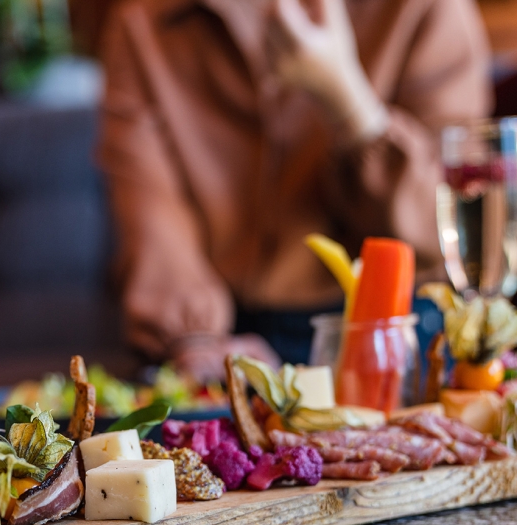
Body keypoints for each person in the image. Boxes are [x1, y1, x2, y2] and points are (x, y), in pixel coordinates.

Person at [98, 0, 493, 380]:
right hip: (226, 337)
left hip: (398, 329)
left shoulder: (425, 8)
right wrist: (194, 337)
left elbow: (444, 224)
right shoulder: (141, 23)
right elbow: (153, 214)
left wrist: (347, 99)